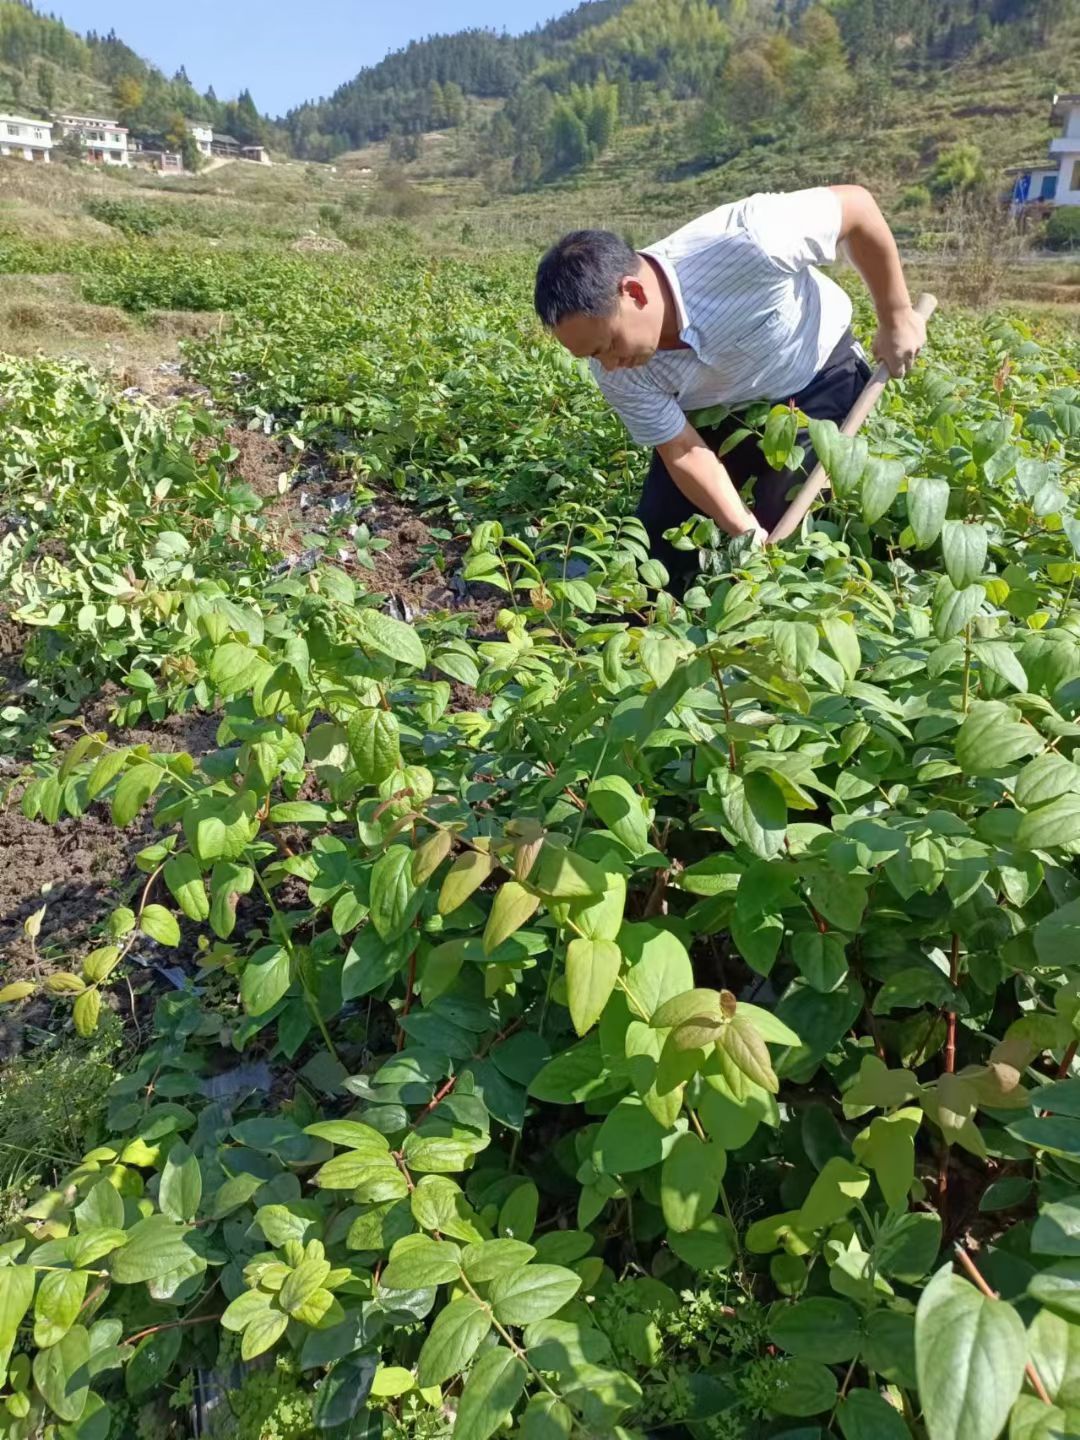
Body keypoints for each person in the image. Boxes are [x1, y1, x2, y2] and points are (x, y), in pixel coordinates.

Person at [533, 185, 926, 590]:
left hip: (815, 378)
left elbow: (857, 208)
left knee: (789, 520)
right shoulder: (612, 369)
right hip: (717, 410)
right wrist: (743, 529)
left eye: (610, 345)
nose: (610, 365)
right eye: (594, 357)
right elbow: (681, 449)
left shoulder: (748, 241)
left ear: (633, 292)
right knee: (662, 543)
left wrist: (896, 315)